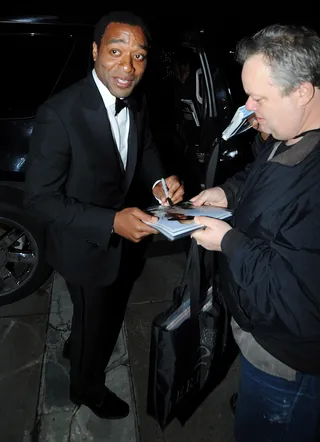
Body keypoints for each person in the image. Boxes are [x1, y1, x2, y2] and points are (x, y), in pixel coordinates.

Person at [24, 10, 184, 420]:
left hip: (122, 241)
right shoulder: (60, 113)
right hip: (84, 246)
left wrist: (157, 182)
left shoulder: (136, 100)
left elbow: (144, 147)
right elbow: (39, 200)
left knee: (89, 316)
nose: (127, 67)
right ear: (95, 51)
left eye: (139, 56)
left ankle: (76, 343)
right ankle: (86, 388)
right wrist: (111, 222)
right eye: (116, 51)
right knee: (96, 322)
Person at [190, 24, 320, 442]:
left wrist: (228, 241)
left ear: (302, 90)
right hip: (260, 336)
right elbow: (261, 173)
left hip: (287, 363)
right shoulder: (292, 132)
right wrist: (226, 192)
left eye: (259, 98)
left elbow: (298, 300)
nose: (248, 107)